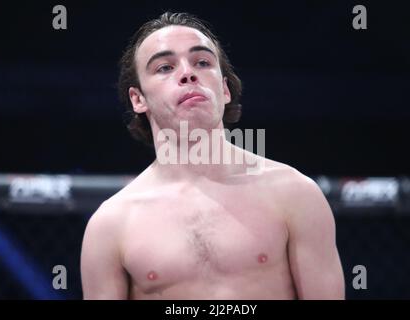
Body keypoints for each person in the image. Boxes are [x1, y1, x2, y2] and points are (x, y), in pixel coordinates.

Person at [80, 12, 345, 300]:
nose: (187, 73)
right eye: (165, 67)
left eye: (203, 62)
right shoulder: (110, 225)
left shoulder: (294, 194)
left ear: (225, 88)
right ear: (138, 99)